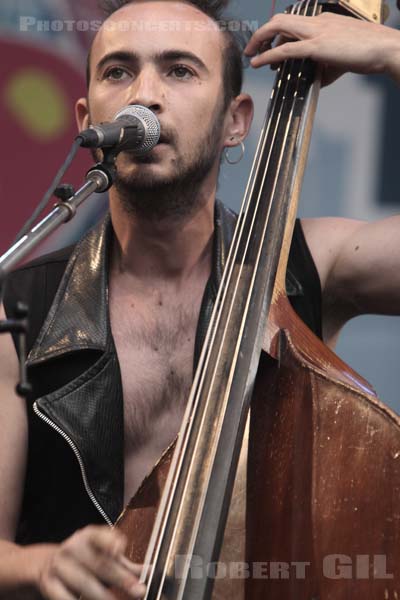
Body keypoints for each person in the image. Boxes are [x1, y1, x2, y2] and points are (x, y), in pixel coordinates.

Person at [0, 0, 399, 598]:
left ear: (236, 120)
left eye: (180, 70)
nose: (145, 94)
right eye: (118, 71)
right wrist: (44, 566)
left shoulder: (316, 263)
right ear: (87, 117)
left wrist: (394, 54)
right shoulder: (18, 309)